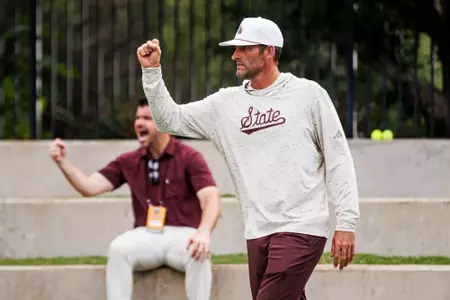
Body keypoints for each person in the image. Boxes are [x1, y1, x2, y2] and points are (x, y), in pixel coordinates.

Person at [137, 16, 360, 300]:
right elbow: (170, 120)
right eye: (235, 48)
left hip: (301, 228)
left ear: (269, 51)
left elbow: (338, 159)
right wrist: (152, 72)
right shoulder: (224, 105)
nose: (235, 55)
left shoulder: (309, 96)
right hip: (257, 232)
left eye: (244, 48)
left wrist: (346, 223)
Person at [48, 98, 221, 300]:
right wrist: (63, 163)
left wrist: (203, 232)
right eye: (138, 118)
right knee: (119, 249)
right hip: (147, 234)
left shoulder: (189, 157)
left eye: (147, 118)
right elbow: (89, 187)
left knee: (198, 253)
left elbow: (211, 199)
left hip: (183, 235)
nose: (139, 123)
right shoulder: (128, 161)